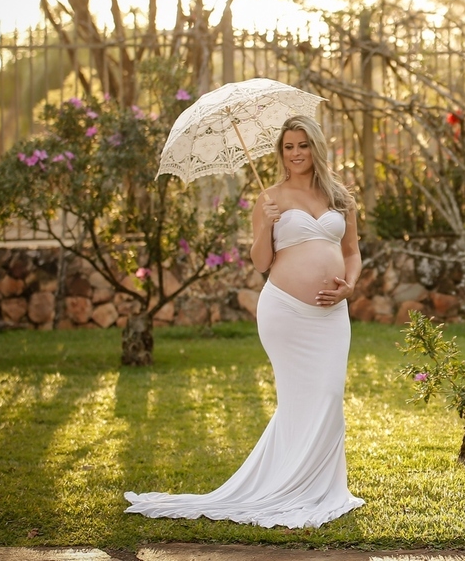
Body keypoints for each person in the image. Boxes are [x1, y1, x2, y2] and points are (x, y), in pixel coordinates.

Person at [125, 114, 365, 528]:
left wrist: (350, 287)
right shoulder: (268, 198)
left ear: (316, 147)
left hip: (332, 316)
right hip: (285, 312)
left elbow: (352, 252)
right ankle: (290, 486)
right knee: (297, 400)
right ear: (280, 152)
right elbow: (260, 263)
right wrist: (266, 226)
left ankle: (318, 487)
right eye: (288, 147)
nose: (295, 154)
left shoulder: (340, 196)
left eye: (303, 145)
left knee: (327, 395)